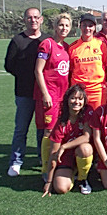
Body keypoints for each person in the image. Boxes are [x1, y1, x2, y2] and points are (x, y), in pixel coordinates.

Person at [4, 7, 49, 177]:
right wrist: (24, 76)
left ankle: (41, 157)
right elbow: (9, 65)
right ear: (24, 20)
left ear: (41, 19)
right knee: (21, 128)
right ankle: (16, 161)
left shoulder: (47, 40)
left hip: (43, 93)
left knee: (41, 128)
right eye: (29, 17)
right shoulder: (17, 40)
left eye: (36, 17)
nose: (33, 20)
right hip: (24, 93)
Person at [34, 13, 72, 181]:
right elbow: (38, 71)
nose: (64, 28)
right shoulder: (47, 44)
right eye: (61, 25)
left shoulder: (66, 47)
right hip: (50, 97)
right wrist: (45, 93)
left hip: (62, 97)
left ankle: (56, 162)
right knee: (48, 131)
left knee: (58, 130)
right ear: (55, 26)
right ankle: (46, 167)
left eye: (67, 26)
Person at [42, 84, 94, 196]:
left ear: (84, 101)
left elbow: (86, 136)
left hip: (80, 152)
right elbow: (54, 153)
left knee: (85, 148)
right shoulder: (61, 122)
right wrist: (49, 181)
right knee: (61, 188)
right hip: (65, 157)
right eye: (73, 98)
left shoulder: (87, 112)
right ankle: (72, 174)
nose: (76, 102)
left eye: (80, 99)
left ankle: (82, 179)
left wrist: (64, 146)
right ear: (67, 100)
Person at [68, 13, 107, 110]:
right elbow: (70, 71)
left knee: (97, 122)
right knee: (79, 123)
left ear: (95, 27)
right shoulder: (72, 47)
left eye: (90, 26)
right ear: (80, 27)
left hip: (97, 92)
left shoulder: (101, 45)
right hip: (79, 92)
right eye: (84, 25)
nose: (87, 28)